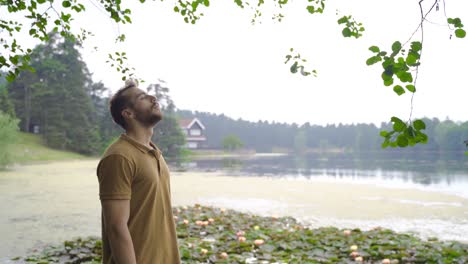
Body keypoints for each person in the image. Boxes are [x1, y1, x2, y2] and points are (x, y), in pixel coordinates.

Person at [96, 79, 181, 264]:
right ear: (128, 113)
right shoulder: (119, 156)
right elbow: (116, 227)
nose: (153, 97)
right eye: (143, 97)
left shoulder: (155, 153)